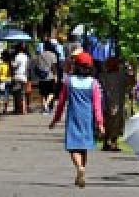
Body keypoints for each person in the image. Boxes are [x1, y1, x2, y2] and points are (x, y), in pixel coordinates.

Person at [50, 51, 105, 188]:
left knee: (73, 146)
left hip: (73, 117)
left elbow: (62, 102)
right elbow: (97, 106)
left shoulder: (69, 81)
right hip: (87, 118)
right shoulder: (94, 83)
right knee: (84, 146)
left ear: (76, 66)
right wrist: (100, 123)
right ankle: (81, 170)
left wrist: (55, 119)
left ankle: (79, 168)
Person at [97, 55, 129, 152]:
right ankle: (109, 142)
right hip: (111, 102)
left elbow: (130, 83)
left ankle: (110, 142)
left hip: (112, 102)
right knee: (113, 123)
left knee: (113, 123)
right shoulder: (114, 76)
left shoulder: (119, 75)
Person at [33, 43, 59, 114]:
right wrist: (55, 75)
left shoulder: (39, 55)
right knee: (52, 92)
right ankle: (46, 104)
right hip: (50, 76)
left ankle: (44, 107)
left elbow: (36, 66)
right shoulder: (53, 55)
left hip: (41, 77)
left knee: (43, 93)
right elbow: (53, 67)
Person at [12, 43, 30, 114]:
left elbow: (15, 66)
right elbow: (27, 67)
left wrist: (12, 63)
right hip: (24, 76)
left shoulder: (17, 56)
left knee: (17, 93)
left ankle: (18, 109)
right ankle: (24, 109)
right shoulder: (26, 57)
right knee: (23, 93)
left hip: (18, 76)